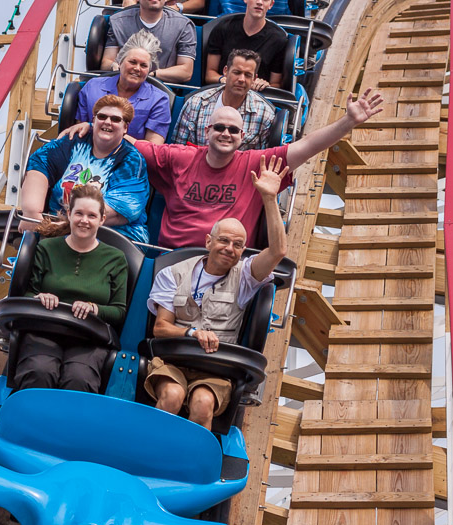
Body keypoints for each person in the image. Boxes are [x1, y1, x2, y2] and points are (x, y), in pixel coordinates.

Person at [135, 89, 383, 248]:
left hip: (227, 262)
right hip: (173, 257)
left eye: (233, 130)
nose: (225, 134)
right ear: (207, 131)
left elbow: (307, 146)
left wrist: (348, 121)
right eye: (219, 127)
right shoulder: (181, 157)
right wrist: (97, 127)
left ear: (242, 136)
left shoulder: (256, 163)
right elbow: (135, 145)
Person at [145, 156, 288, 429]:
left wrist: (269, 199)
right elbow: (161, 328)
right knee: (172, 395)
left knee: (202, 403)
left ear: (243, 251)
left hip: (216, 367)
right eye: (223, 240)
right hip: (175, 358)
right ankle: (151, 454)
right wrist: (192, 333)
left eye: (237, 245)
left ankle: (190, 468)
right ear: (208, 241)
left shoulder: (245, 277)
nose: (229, 248)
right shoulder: (173, 272)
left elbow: (278, 251)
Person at [13, 184, 128, 393]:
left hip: (88, 337)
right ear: (69, 214)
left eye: (92, 215)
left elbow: (119, 311)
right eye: (79, 213)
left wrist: (94, 308)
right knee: (40, 371)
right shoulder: (47, 248)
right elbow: (27, 293)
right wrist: (40, 297)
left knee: (79, 378)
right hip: (45, 330)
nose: (84, 220)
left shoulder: (116, 258)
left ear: (102, 219)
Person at [19, 95, 149, 243]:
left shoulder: (131, 160)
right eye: (102, 116)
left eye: (115, 119)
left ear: (125, 127)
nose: (107, 122)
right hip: (56, 229)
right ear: (93, 121)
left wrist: (71, 224)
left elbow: (121, 210)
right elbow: (39, 165)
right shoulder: (73, 141)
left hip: (112, 235)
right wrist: (31, 213)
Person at [102, 0, 196, 82]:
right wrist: (114, 66)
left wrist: (151, 75)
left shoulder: (183, 25)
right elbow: (106, 62)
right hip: (123, 83)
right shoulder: (118, 22)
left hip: (162, 89)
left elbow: (186, 72)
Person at [77, 31, 171, 144]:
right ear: (120, 63)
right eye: (132, 62)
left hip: (132, 159)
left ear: (149, 70)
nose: (137, 68)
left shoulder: (159, 100)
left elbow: (153, 149)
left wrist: (110, 133)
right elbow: (80, 131)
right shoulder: (93, 87)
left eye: (143, 65)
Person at [173, 50, 275, 150]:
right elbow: (178, 151)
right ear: (225, 71)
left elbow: (260, 159)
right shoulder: (195, 103)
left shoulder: (265, 114)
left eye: (248, 75)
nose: (241, 79)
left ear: (254, 78)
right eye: (237, 72)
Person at [204, 0, 288, 87]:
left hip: (257, 96)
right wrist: (224, 79)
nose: (259, 2)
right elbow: (210, 74)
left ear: (271, 4)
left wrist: (265, 85)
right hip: (223, 89)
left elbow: (276, 83)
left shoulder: (278, 39)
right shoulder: (223, 27)